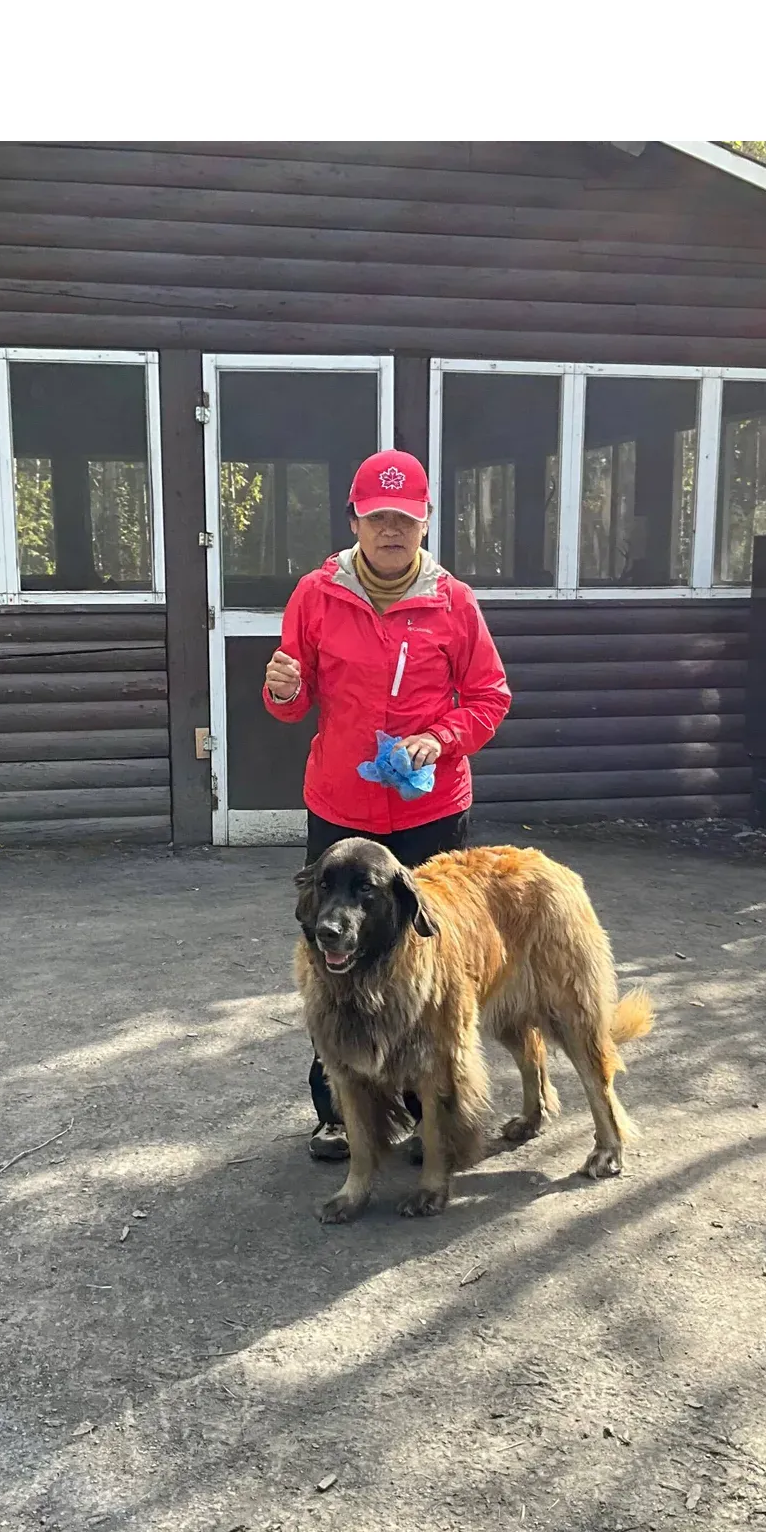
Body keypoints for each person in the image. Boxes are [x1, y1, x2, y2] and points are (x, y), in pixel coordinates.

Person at [263, 448, 513, 1161]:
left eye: (405, 518)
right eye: (378, 517)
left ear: (426, 521)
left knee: (428, 954)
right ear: (355, 520)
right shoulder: (316, 594)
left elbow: (491, 698)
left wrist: (443, 737)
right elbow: (293, 696)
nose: (392, 531)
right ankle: (341, 1109)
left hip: (431, 810)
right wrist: (281, 691)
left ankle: (424, 1106)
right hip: (342, 811)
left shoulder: (455, 602)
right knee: (328, 952)